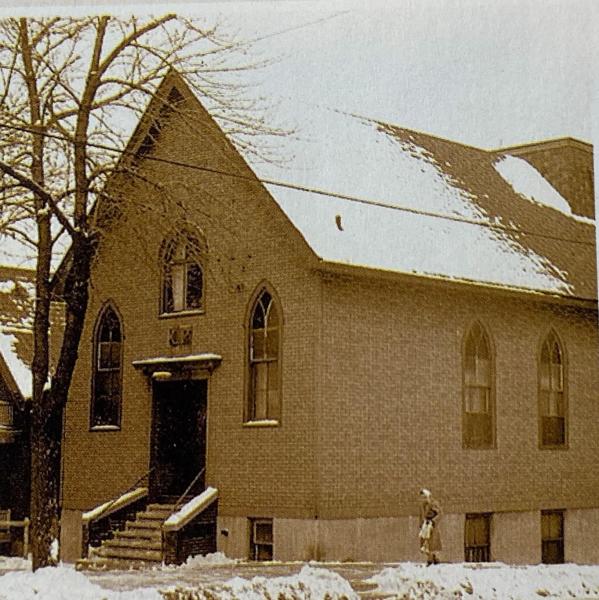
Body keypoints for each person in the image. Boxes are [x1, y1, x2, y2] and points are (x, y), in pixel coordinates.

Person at [419, 488, 442, 565]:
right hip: (425, 526)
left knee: (432, 543)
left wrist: (433, 521)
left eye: (425, 497)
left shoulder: (434, 504)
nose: (424, 499)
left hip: (432, 526)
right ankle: (433, 557)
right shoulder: (423, 505)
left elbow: (440, 514)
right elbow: (421, 516)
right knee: (424, 542)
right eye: (422, 497)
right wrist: (421, 524)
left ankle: (431, 559)